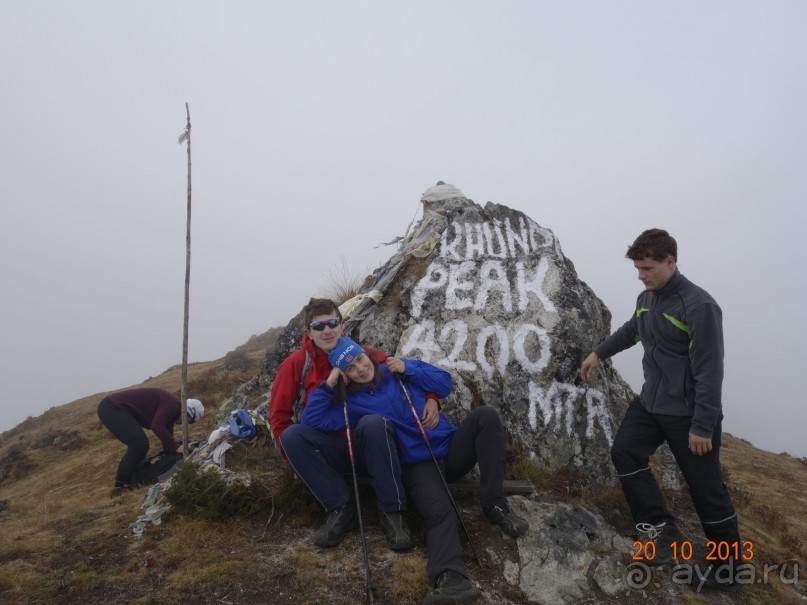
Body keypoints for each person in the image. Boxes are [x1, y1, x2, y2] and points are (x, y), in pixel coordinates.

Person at [303, 337, 529, 605]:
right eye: (350, 368)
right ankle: (450, 577)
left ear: (367, 355)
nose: (360, 369)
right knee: (440, 510)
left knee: (486, 416)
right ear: (345, 376)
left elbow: (444, 383)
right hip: (417, 464)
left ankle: (495, 506)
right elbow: (312, 421)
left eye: (360, 359)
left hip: (449, 446)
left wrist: (409, 368)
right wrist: (330, 383)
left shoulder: (397, 371)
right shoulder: (349, 405)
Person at [580, 228, 741, 589]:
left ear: (671, 262)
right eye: (638, 268)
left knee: (706, 489)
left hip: (689, 415)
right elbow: (632, 330)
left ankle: (729, 570)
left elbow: (710, 371)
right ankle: (660, 531)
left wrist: (702, 425)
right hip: (651, 403)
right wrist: (598, 352)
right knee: (625, 453)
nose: (641, 274)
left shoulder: (699, 306)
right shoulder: (647, 297)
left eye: (648, 267)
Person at [271, 298, 418, 550]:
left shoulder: (361, 354)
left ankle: (392, 513)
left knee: (373, 423)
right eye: (319, 327)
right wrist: (298, 464)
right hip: (330, 447)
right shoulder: (296, 365)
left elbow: (400, 371)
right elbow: (279, 418)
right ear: (309, 332)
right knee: (292, 436)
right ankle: (339, 507)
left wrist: (433, 400)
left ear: (342, 326)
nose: (327, 330)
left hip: (369, 441)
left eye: (332, 323)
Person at [97, 387, 204, 496]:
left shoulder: (173, 411)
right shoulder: (173, 405)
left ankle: (131, 480)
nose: (185, 423)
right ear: (188, 412)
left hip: (114, 408)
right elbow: (157, 426)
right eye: (190, 420)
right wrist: (177, 447)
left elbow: (167, 438)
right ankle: (119, 487)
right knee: (139, 444)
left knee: (139, 445)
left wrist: (180, 446)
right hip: (112, 407)